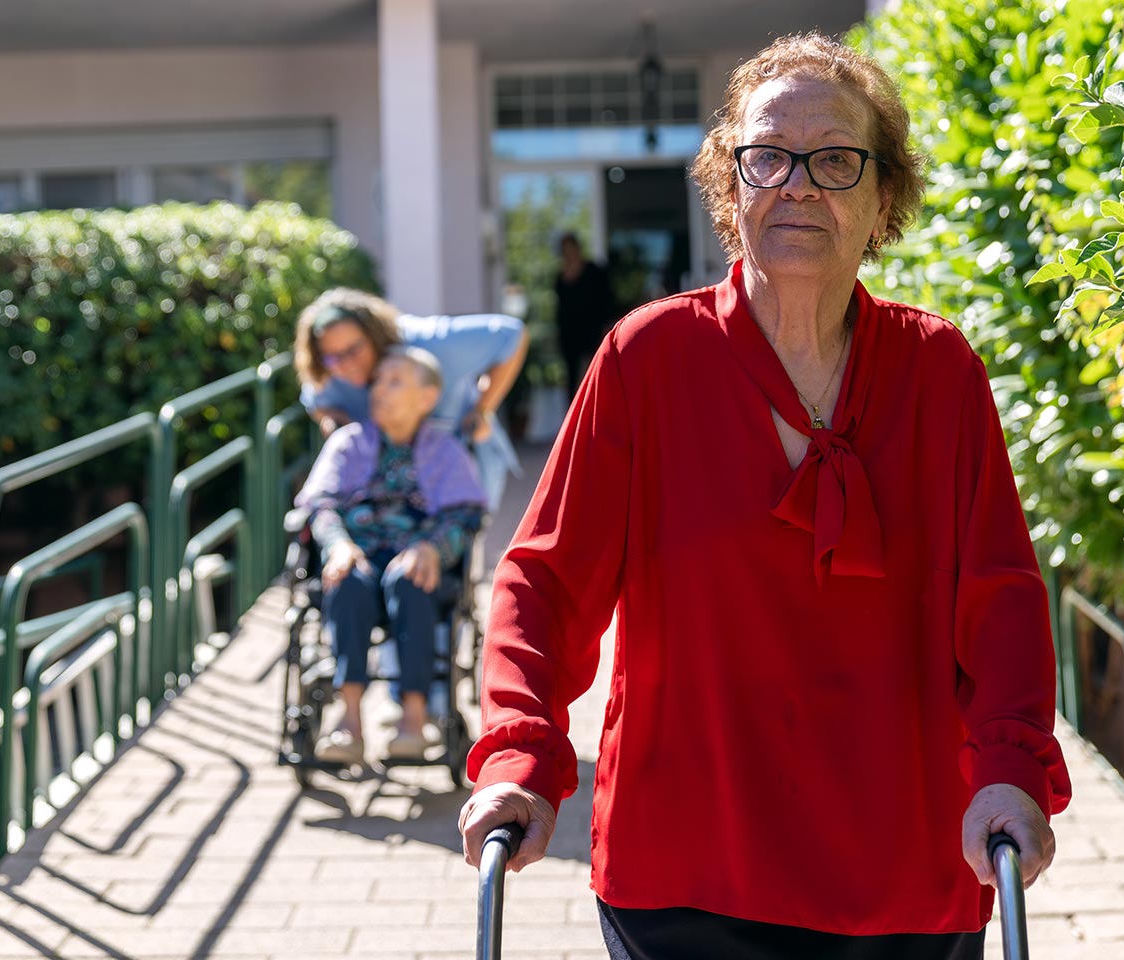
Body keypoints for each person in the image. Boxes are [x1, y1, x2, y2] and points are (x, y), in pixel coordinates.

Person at [458, 32, 1070, 960]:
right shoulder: (646, 359)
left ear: (883, 199)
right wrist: (519, 753)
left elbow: (1001, 600)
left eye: (834, 160)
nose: (798, 183)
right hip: (689, 864)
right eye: (768, 156)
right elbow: (544, 582)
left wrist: (1013, 769)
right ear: (729, 185)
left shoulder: (938, 369)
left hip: (904, 870)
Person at [294, 346, 486, 763]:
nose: (379, 389)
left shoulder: (447, 450)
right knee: (346, 580)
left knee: (410, 578)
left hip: (418, 561)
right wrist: (338, 545)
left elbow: (466, 514)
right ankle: (349, 723)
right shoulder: (348, 443)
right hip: (358, 555)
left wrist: (432, 547)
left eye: (394, 381)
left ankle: (413, 721)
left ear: (427, 397)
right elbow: (319, 507)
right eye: (377, 380)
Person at [293, 288, 529, 512]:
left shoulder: (431, 343)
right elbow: (315, 400)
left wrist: (483, 408)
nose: (348, 364)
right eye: (333, 358)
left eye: (354, 350)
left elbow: (511, 334)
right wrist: (331, 418)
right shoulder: (329, 374)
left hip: (455, 471)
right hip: (385, 489)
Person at [553, 232, 615, 397]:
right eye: (565, 250)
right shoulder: (560, 278)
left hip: (593, 333)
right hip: (570, 336)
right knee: (573, 381)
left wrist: (606, 329)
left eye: (571, 249)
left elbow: (607, 302)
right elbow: (560, 310)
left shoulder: (594, 272)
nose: (569, 254)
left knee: (595, 375)